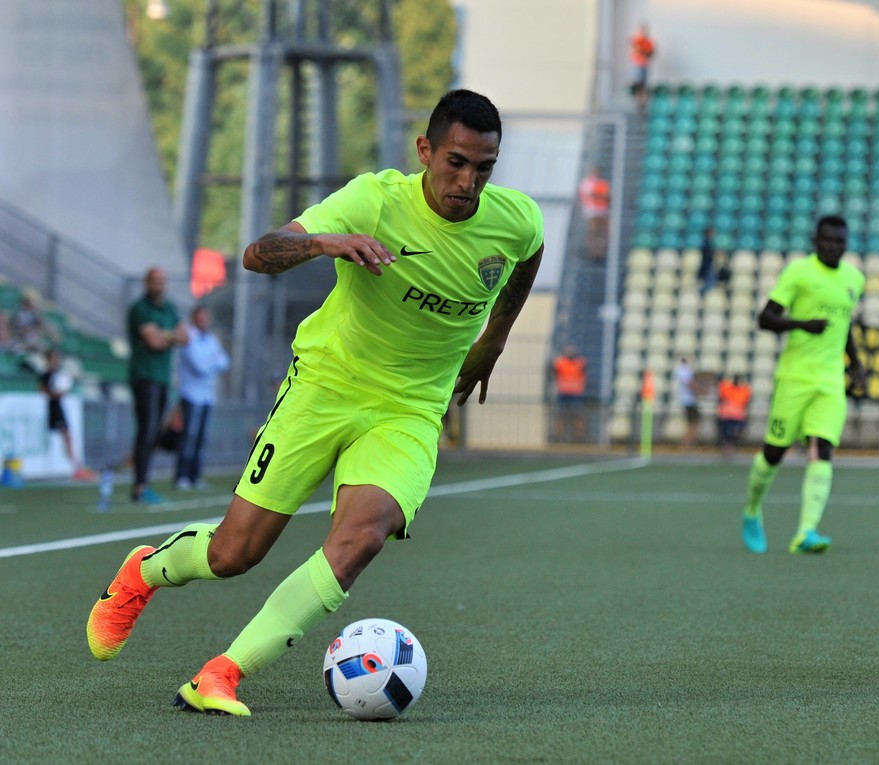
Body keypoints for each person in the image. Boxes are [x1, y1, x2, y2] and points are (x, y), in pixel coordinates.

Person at [86, 89, 544, 717]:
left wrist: (494, 340)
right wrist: (326, 243)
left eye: (484, 168)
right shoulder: (375, 200)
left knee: (362, 538)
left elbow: (528, 256)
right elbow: (257, 254)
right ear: (425, 151)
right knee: (233, 554)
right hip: (325, 385)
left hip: (410, 409)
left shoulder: (514, 220)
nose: (468, 182)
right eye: (456, 163)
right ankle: (143, 572)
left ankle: (222, 674)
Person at [740, 215, 865, 555]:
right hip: (795, 377)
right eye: (828, 240)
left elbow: (844, 326)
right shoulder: (799, 272)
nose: (835, 247)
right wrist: (801, 324)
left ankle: (805, 532)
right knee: (774, 453)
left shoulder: (854, 278)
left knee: (822, 448)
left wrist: (856, 366)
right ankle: (752, 510)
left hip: (830, 381)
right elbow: (765, 318)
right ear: (815, 240)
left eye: (841, 241)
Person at [127, 267, 187, 504]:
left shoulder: (170, 308)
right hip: (144, 376)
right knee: (147, 430)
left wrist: (165, 335)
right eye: (155, 281)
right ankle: (140, 486)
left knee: (154, 433)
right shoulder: (140, 309)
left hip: (162, 378)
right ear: (146, 283)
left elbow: (185, 337)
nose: (159, 285)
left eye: (163, 281)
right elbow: (153, 342)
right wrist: (169, 336)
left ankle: (143, 483)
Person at [174, 305, 230, 490]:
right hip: (191, 395)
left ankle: (195, 476)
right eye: (201, 317)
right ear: (194, 318)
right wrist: (213, 362)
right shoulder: (188, 337)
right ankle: (182, 476)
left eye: (206, 317)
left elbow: (225, 361)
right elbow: (200, 367)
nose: (204, 321)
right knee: (188, 438)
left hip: (207, 396)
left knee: (201, 439)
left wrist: (212, 363)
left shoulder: (211, 338)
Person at [38, 347, 95, 481]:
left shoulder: (58, 374)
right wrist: (54, 394)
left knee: (67, 437)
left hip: (59, 408)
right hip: (53, 409)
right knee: (65, 437)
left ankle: (76, 467)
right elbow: (41, 390)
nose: (56, 361)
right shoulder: (46, 375)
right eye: (54, 358)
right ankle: (76, 468)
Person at [552, 343, 588, 442]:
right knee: (560, 416)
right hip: (563, 392)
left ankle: (579, 437)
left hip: (576, 393)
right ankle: (558, 437)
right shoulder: (560, 362)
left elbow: (584, 371)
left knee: (577, 416)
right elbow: (554, 371)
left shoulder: (580, 363)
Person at [715, 373, 752, 460]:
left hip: (737, 416)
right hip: (726, 415)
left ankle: (730, 450)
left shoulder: (744, 390)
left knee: (732, 434)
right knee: (726, 435)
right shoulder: (726, 388)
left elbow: (746, 402)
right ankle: (727, 451)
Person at [577, 167, 610, 260]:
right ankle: (592, 252)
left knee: (602, 232)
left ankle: (600, 251)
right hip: (592, 211)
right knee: (593, 231)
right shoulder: (587, 183)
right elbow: (591, 194)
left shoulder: (602, 183)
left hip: (601, 210)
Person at [673, 355, 699, 449]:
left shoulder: (681, 370)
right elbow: (689, 384)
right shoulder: (684, 371)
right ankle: (686, 443)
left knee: (693, 422)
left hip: (688, 400)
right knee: (693, 422)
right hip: (688, 400)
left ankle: (687, 442)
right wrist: (700, 390)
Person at [628, 22, 656, 108]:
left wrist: (642, 52)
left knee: (643, 85)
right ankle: (637, 102)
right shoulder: (635, 40)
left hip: (644, 65)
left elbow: (651, 54)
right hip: (636, 65)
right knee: (637, 85)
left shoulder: (648, 41)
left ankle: (642, 103)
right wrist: (639, 50)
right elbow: (633, 49)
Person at [697, 227, 717, 294]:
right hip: (706, 264)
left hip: (708, 264)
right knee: (708, 281)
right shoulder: (706, 242)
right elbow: (706, 254)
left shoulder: (707, 242)